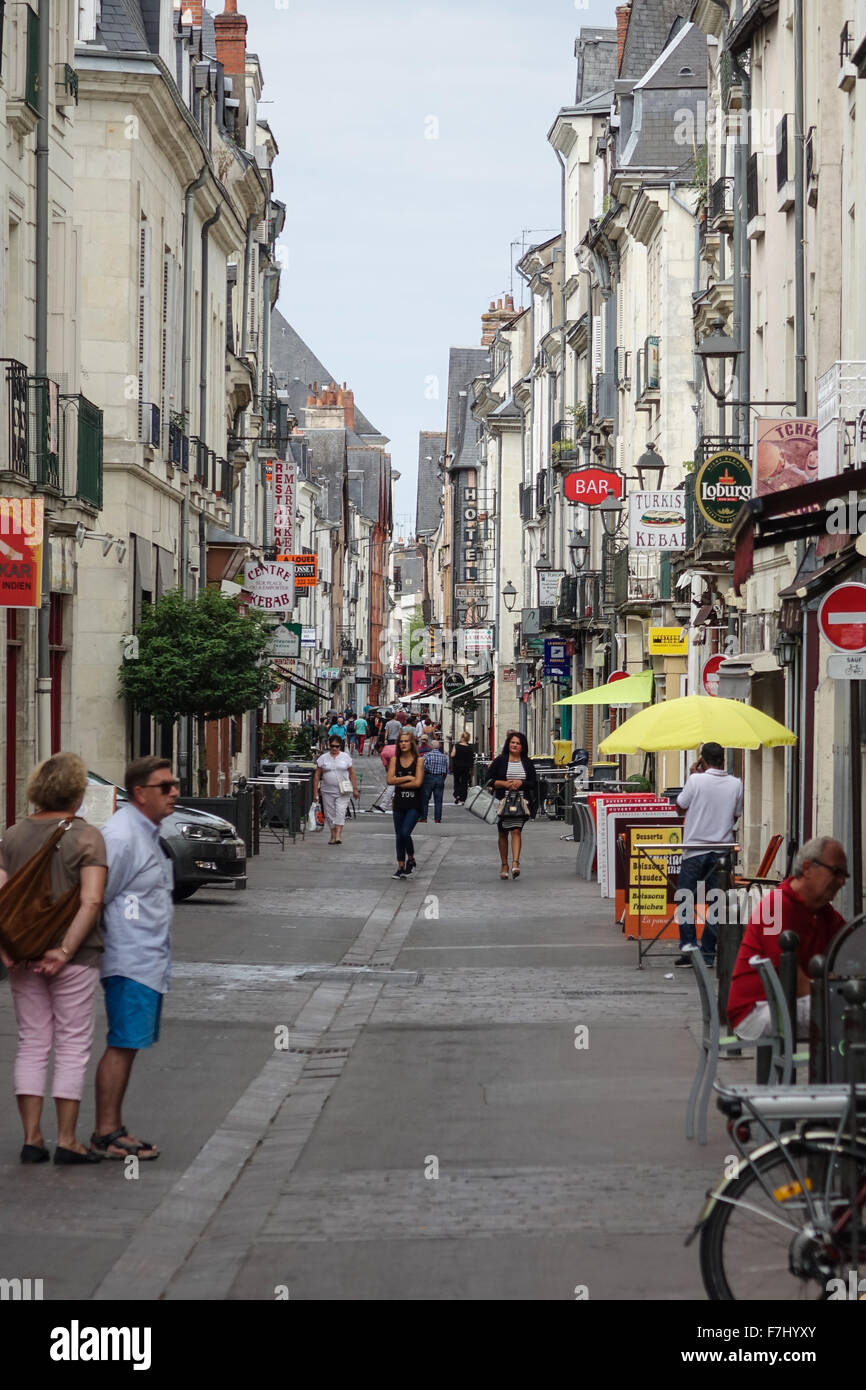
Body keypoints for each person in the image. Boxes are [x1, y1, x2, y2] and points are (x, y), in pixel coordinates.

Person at [0, 754, 108, 1165]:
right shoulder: (87, 838)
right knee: (72, 1044)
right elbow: (92, 900)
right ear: (78, 792)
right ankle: (67, 1139)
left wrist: (7, 950)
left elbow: (1, 901)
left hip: (22, 956)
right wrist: (63, 952)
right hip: (75, 956)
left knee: (31, 1043)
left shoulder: (12, 836)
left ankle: (32, 1139)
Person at [90, 756, 179, 1160]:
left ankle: (112, 1127)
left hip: (148, 959)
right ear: (140, 793)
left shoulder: (146, 831)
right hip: (129, 959)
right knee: (123, 1043)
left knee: (129, 1044)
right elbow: (98, 895)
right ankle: (107, 1131)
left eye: (174, 784)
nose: (174, 792)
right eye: (165, 786)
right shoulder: (122, 836)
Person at [727, 837, 848, 1041]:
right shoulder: (777, 906)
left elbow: (851, 944)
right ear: (808, 868)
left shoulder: (823, 911)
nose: (842, 881)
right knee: (850, 1016)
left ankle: (836, 1071)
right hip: (756, 1010)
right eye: (836, 872)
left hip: (787, 1001)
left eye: (845, 875)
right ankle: (834, 1072)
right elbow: (792, 980)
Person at [674, 742, 744, 967]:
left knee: (685, 898)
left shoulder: (696, 780)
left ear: (702, 760)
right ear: (723, 759)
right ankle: (707, 952)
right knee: (717, 902)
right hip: (722, 850)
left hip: (695, 848)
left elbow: (680, 807)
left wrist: (693, 776)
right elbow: (735, 817)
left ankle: (689, 947)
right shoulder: (736, 783)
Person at [486, 731, 538, 880]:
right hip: (503, 802)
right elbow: (489, 780)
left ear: (523, 747)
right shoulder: (500, 761)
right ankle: (504, 864)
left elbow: (533, 783)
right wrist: (503, 784)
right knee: (503, 833)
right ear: (508, 744)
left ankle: (515, 863)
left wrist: (521, 783)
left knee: (516, 830)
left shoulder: (527, 762)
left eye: (518, 743)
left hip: (522, 803)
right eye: (513, 742)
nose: (515, 745)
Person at [387, 729, 425, 878]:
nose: (403, 744)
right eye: (401, 741)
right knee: (399, 835)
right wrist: (408, 778)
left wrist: (400, 781)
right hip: (399, 802)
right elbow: (389, 780)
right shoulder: (394, 760)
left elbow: (418, 783)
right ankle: (401, 866)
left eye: (406, 741)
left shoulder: (419, 761)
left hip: (414, 803)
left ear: (412, 743)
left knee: (405, 832)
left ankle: (411, 858)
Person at [313, 737, 359, 845]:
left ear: (340, 746)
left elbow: (352, 773)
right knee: (329, 814)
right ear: (329, 745)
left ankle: (338, 834)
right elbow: (317, 775)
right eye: (332, 746)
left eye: (337, 746)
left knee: (340, 811)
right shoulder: (323, 758)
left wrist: (355, 789)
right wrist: (315, 792)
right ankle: (333, 834)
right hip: (327, 790)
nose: (334, 748)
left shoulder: (345, 757)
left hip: (343, 790)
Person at [420, 738, 449, 824]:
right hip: (439, 778)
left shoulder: (427, 756)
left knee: (425, 799)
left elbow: (423, 768)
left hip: (428, 777)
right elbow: (446, 770)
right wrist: (442, 779)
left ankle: (424, 817)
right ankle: (437, 819)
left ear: (431, 747)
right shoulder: (443, 756)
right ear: (439, 747)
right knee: (438, 800)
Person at [451, 730, 476, 805]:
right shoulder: (470, 748)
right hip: (466, 767)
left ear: (462, 737)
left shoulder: (456, 746)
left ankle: (457, 794)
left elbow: (452, 755)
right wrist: (472, 770)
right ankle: (463, 799)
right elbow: (472, 759)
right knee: (464, 783)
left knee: (457, 781)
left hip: (457, 767)